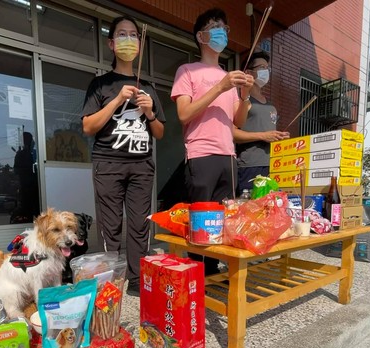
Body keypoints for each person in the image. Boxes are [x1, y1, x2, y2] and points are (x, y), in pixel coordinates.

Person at [82, 16, 165, 297]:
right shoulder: (100, 85)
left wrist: (150, 111)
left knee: (140, 224)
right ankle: (110, 280)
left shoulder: (149, 88)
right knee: (110, 225)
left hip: (142, 165)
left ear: (139, 44)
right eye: (122, 34)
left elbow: (160, 132)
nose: (128, 39)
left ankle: (136, 279)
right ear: (111, 43)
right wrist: (117, 100)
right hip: (108, 163)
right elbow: (88, 127)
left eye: (133, 35)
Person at [171, 7, 253, 274]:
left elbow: (237, 123)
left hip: (228, 155)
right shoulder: (187, 71)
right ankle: (197, 275)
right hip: (201, 154)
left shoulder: (230, 78)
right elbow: (184, 114)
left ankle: (215, 271)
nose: (221, 31)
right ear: (201, 36)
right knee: (201, 221)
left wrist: (246, 95)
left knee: (224, 220)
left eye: (224, 27)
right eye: (214, 26)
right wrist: (220, 87)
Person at [234, 51, 290, 193]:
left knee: (270, 208)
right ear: (248, 72)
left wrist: (280, 138)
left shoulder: (271, 105)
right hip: (250, 165)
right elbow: (233, 133)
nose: (266, 71)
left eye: (267, 68)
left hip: (274, 165)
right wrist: (263, 136)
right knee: (250, 208)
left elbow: (269, 133)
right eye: (261, 67)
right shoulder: (241, 101)